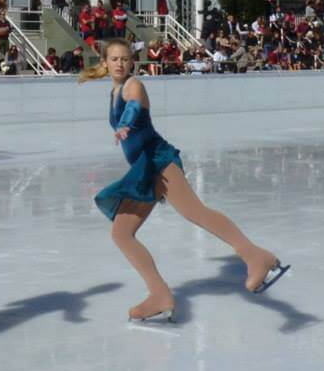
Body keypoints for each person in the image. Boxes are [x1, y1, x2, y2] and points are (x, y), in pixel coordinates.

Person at [80, 39, 288, 322]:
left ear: (132, 62)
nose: (120, 64)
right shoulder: (114, 90)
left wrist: (126, 124)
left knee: (195, 212)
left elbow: (132, 107)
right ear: (105, 62)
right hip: (144, 169)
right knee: (121, 233)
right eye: (114, 59)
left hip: (158, 161)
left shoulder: (133, 86)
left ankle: (255, 256)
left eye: (125, 59)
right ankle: (159, 295)